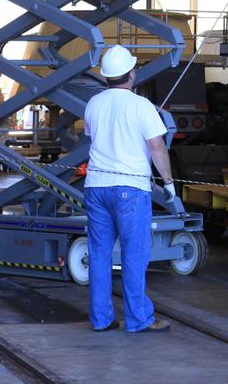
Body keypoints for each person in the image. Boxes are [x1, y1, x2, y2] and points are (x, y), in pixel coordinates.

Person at [83, 45, 175, 334]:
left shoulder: (93, 103)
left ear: (107, 76)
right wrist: (169, 183)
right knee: (134, 256)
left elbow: (93, 137)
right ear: (131, 75)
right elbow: (157, 147)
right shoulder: (141, 106)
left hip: (96, 187)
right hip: (130, 189)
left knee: (99, 254)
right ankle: (138, 319)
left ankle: (101, 319)